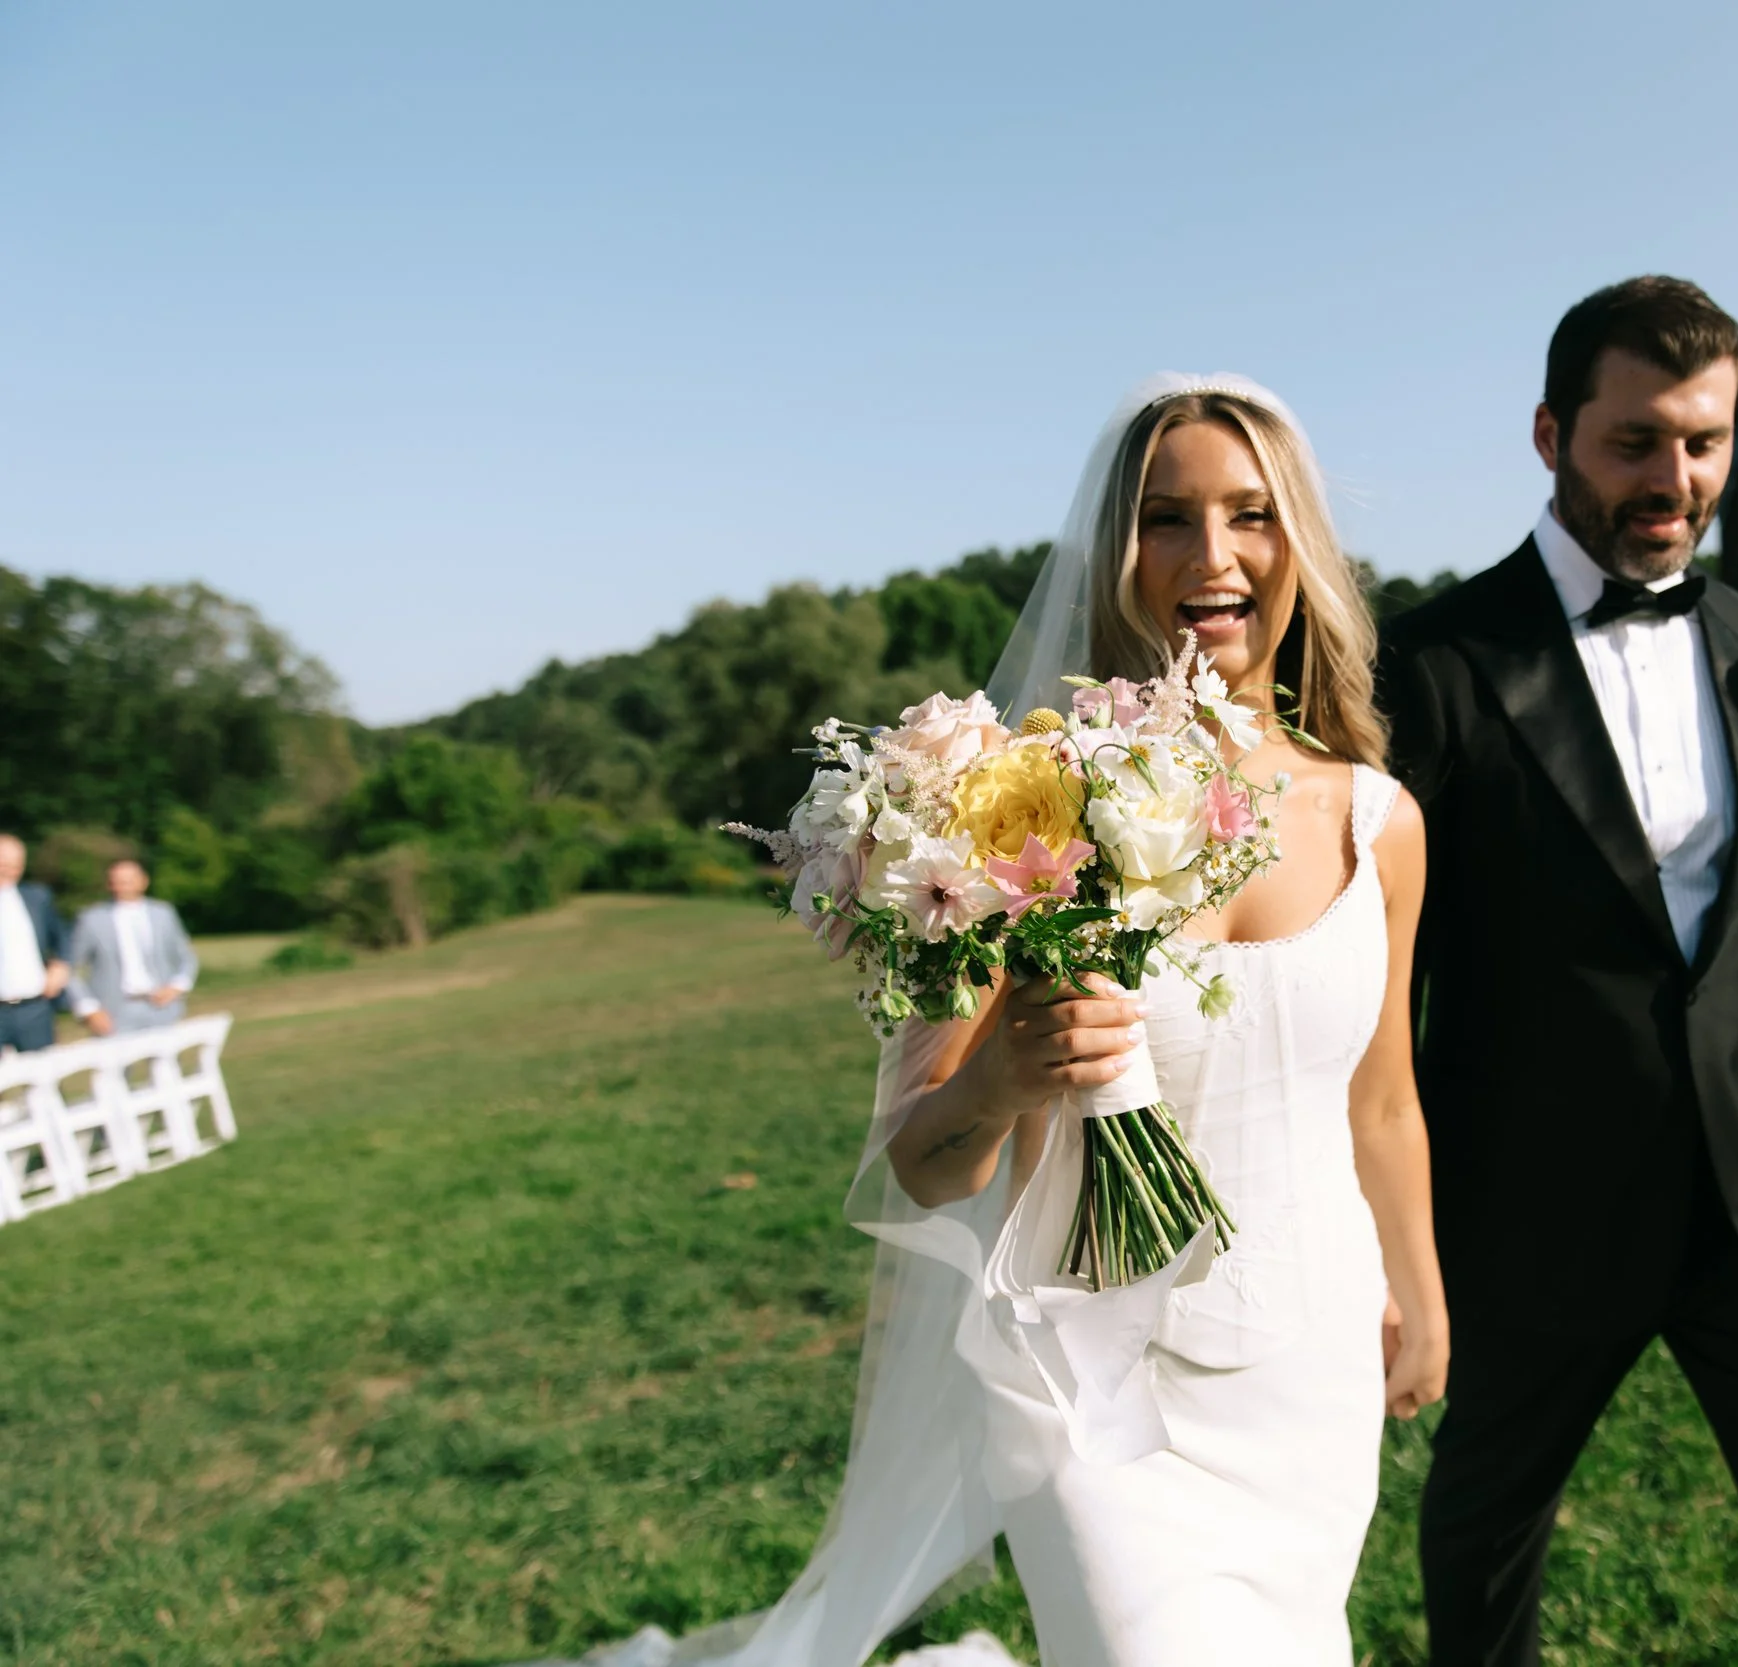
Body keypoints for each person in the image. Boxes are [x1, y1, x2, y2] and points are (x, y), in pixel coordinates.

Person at [542, 375, 1447, 1667]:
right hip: (1089, 1379)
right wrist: (1002, 1082)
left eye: (1251, 514)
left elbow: (1382, 1097)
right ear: (1110, 547)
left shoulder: (1379, 819)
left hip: (1313, 1363)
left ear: (1298, 539)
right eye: (1165, 516)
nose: (1213, 556)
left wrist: (1418, 1283)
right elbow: (922, 1157)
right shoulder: (1008, 802)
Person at [1376, 278, 1738, 1666]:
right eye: (1635, 440)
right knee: (1485, 1553)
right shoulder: (1437, 665)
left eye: (1704, 441)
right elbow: (1378, 968)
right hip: (1535, 1203)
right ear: (1551, 434)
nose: (1673, 477)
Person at [66, 858, 198, 1037]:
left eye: (128, 881)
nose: (122, 887)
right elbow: (68, 968)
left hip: (162, 1008)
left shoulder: (163, 913)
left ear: (143, 881)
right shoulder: (91, 919)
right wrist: (88, 1008)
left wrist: (176, 987)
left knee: (166, 1064)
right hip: (113, 1012)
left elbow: (186, 956)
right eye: (117, 882)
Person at [0, 834, 73, 1054]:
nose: (9, 871)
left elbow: (62, 937)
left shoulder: (37, 897)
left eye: (15, 866)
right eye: (3, 864)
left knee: (42, 1078)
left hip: (34, 1008)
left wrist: (61, 965)